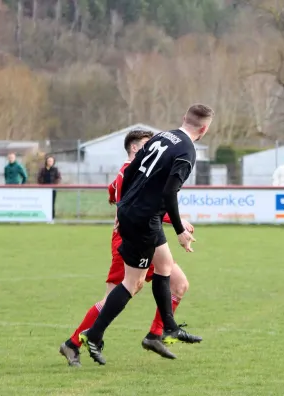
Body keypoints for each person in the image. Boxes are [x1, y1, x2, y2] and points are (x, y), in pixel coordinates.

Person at [79, 104, 214, 365]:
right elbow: (169, 193)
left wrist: (123, 207)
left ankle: (166, 329)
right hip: (144, 219)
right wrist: (179, 230)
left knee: (164, 266)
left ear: (184, 118)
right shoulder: (186, 150)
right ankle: (93, 335)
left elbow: (130, 171)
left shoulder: (163, 136)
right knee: (133, 282)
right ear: (205, 129)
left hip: (136, 213)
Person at [59, 130, 196, 367]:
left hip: (146, 233)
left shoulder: (139, 170)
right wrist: (176, 222)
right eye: (147, 144)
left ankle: (156, 334)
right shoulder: (129, 170)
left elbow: (113, 191)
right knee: (118, 293)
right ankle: (73, 343)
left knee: (178, 283)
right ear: (135, 148)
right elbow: (136, 206)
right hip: (129, 237)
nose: (154, 148)